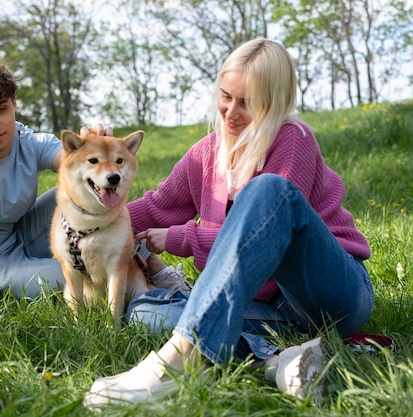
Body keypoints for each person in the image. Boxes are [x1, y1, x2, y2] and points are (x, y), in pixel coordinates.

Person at [84, 39, 374, 407]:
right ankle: (276, 362)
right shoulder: (205, 154)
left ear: (274, 102)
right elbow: (156, 207)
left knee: (270, 191)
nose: (231, 112)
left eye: (247, 103)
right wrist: (90, 218)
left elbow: (268, 236)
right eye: (226, 96)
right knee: (146, 313)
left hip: (329, 293)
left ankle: (177, 359)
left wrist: (182, 237)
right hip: (268, 310)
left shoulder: (291, 139)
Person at [0, 55, 187, 309]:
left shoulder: (27, 140)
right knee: (79, 277)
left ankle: (162, 275)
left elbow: (72, 161)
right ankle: (154, 303)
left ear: (14, 103)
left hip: (22, 235)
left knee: (91, 195)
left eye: (0, 110)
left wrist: (93, 147)